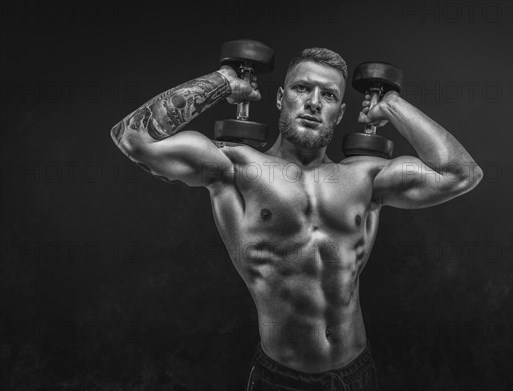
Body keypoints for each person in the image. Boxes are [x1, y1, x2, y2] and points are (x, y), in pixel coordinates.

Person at [110, 47, 483, 391]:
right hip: (281, 379)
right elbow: (133, 138)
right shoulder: (235, 168)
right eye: (302, 88)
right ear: (280, 98)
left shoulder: (366, 178)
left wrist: (391, 104)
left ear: (340, 112)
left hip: (356, 372)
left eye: (329, 96)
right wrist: (225, 79)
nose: (313, 103)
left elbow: (461, 174)